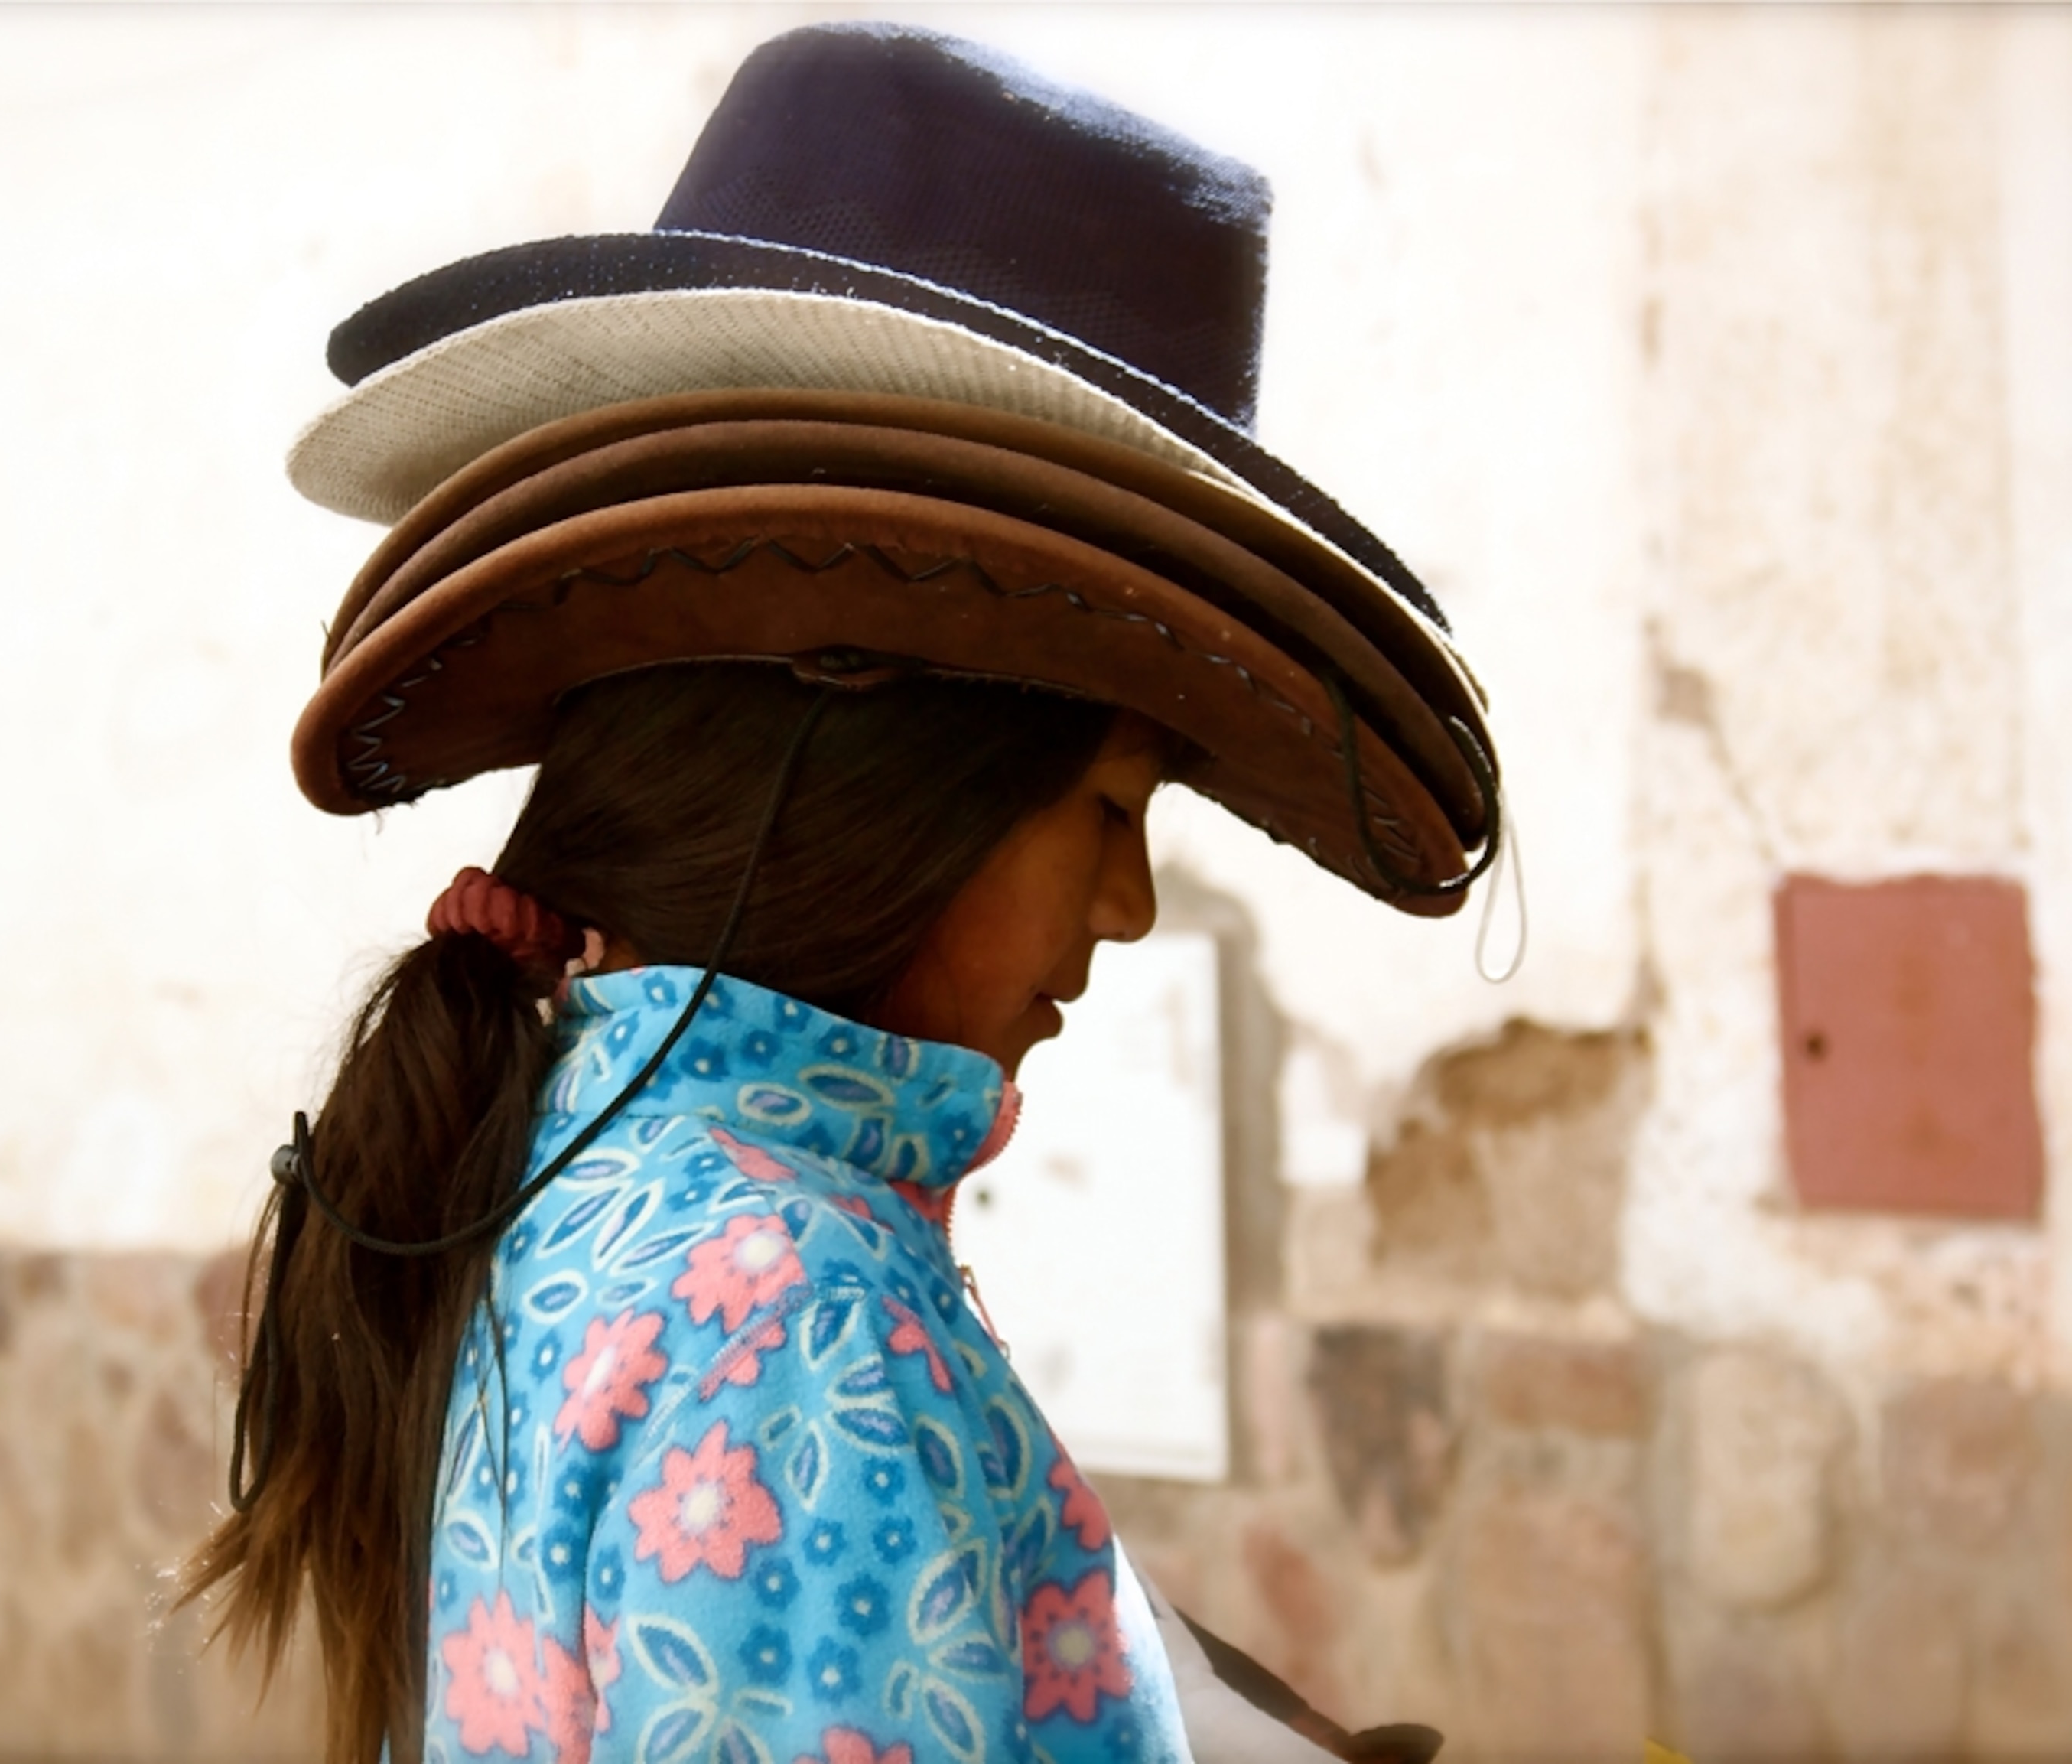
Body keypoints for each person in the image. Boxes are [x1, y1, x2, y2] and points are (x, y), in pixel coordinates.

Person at [186, 23, 1496, 1764]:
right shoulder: (798, 1321)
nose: (1129, 907)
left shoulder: (586, 1169)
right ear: (891, 783)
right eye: (1112, 803)